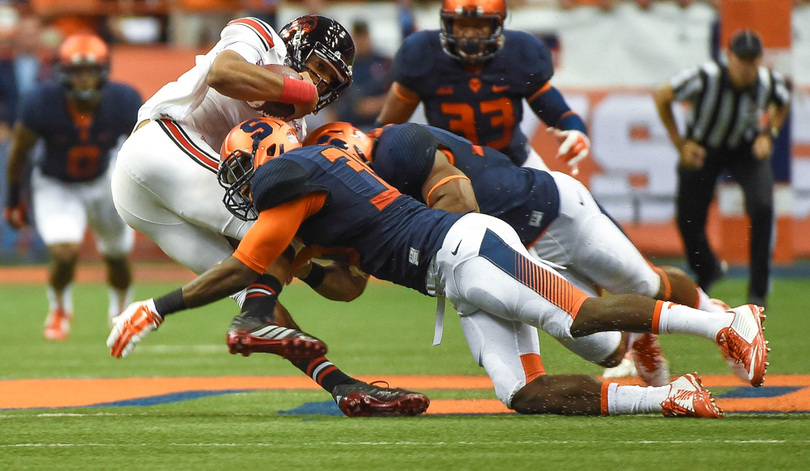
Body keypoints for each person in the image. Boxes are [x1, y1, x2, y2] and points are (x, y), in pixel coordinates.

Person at [107, 116, 769, 418]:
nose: (243, 186)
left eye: (246, 170)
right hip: (455, 274)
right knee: (522, 394)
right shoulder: (312, 183)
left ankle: (726, 321)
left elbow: (247, 264)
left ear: (273, 154)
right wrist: (299, 269)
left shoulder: (294, 173)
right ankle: (671, 396)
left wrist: (158, 305)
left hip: (469, 247)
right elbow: (345, 285)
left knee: (590, 317)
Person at [110, 14, 428, 417]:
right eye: (317, 68)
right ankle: (252, 322)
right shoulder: (261, 37)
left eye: (329, 80)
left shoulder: (299, 123)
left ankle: (341, 386)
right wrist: (301, 89)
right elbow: (224, 73)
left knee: (252, 282)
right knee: (276, 233)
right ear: (295, 46)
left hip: (143, 203)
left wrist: (314, 269)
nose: (320, 84)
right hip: (161, 145)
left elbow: (337, 286)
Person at [304, 121, 741, 387]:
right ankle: (640, 337)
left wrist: (436, 260)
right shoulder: (351, 203)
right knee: (603, 345)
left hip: (549, 211)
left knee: (645, 284)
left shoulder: (396, 147)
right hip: (506, 246)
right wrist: (304, 267)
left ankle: (717, 315)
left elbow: (460, 206)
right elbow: (351, 285)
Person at [3, 33, 141, 339]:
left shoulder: (124, 100)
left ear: (104, 69)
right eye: (77, 71)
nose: (84, 79)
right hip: (56, 182)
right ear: (63, 72)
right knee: (64, 252)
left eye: (91, 70)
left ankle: (121, 310)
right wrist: (14, 199)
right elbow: (19, 153)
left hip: (104, 179)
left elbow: (143, 149)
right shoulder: (41, 102)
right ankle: (60, 309)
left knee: (117, 255)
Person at [654, 30, 790, 308]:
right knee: (688, 218)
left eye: (753, 60)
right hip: (704, 147)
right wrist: (680, 142)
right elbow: (663, 95)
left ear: (760, 60)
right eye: (742, 59)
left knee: (763, 206)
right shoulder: (705, 77)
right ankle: (707, 268)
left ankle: (758, 292)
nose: (747, 66)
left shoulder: (767, 82)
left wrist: (769, 134)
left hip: (745, 148)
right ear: (729, 57)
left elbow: (783, 102)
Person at [376, 0, 590, 172]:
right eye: (462, 24)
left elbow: (559, 113)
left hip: (515, 163)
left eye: (479, 25)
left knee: (567, 209)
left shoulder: (520, 52)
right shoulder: (423, 55)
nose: (470, 34)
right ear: (447, 24)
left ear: (497, 25)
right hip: (451, 170)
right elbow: (386, 127)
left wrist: (576, 131)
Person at [328, 20, 392, 132]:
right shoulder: (344, 66)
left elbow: (397, 92)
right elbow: (332, 103)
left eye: (364, 36)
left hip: (380, 126)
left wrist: (376, 104)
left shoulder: (385, 62)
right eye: (358, 37)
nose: (361, 41)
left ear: (369, 36)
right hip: (351, 127)